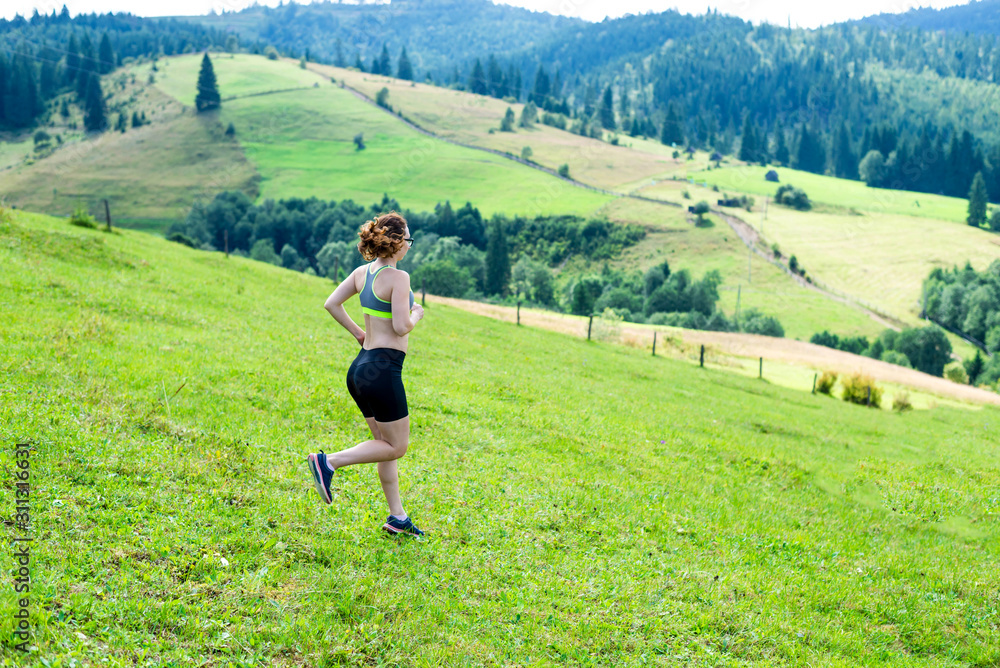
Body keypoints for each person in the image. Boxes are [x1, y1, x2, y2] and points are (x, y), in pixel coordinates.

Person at [306, 212, 426, 537]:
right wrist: (416, 313)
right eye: (409, 241)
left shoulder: (363, 273)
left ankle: (397, 517)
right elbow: (402, 326)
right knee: (396, 446)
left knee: (383, 443)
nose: (409, 247)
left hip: (361, 368)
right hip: (383, 370)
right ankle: (327, 462)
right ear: (398, 242)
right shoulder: (398, 278)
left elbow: (332, 303)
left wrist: (360, 334)